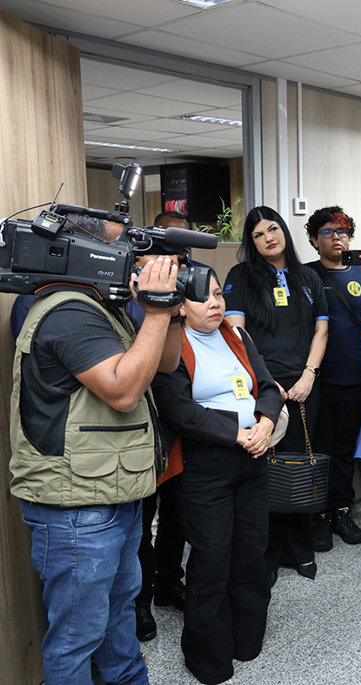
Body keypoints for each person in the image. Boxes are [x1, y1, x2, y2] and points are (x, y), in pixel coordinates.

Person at [10, 213, 181, 685]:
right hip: (77, 508)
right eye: (121, 247)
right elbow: (123, 391)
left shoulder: (102, 305)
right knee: (75, 641)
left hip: (112, 493)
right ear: (89, 254)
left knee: (118, 617)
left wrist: (171, 310)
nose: (131, 258)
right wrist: (157, 312)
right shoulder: (68, 311)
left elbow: (166, 364)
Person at [152, 274, 282, 685]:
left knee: (251, 552)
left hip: (253, 459)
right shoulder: (171, 345)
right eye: (202, 297)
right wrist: (237, 433)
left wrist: (265, 422)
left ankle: (247, 640)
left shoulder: (237, 335)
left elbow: (268, 387)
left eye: (217, 294)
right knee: (212, 560)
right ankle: (209, 660)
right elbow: (179, 410)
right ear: (180, 306)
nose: (215, 303)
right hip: (205, 466)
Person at [223, 206, 328, 582]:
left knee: (298, 464)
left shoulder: (308, 277)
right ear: (251, 243)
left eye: (273, 229)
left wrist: (309, 375)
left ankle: (299, 548)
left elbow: (321, 331)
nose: (268, 237)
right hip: (260, 386)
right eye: (258, 234)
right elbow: (236, 333)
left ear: (284, 230)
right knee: (263, 467)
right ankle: (264, 554)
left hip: (304, 385)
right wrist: (266, 381)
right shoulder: (240, 276)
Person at [135, 210, 212, 641]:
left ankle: (168, 583)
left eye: (184, 256)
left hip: (178, 425)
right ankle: (140, 601)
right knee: (142, 520)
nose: (178, 263)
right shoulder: (129, 292)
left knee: (177, 517)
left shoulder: (188, 288)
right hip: (140, 425)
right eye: (171, 252)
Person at [304, 206, 361, 551]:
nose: (337, 238)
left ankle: (341, 511)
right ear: (313, 239)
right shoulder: (305, 274)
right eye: (328, 232)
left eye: (343, 232)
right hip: (317, 378)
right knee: (320, 451)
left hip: (355, 376)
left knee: (346, 450)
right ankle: (319, 515)